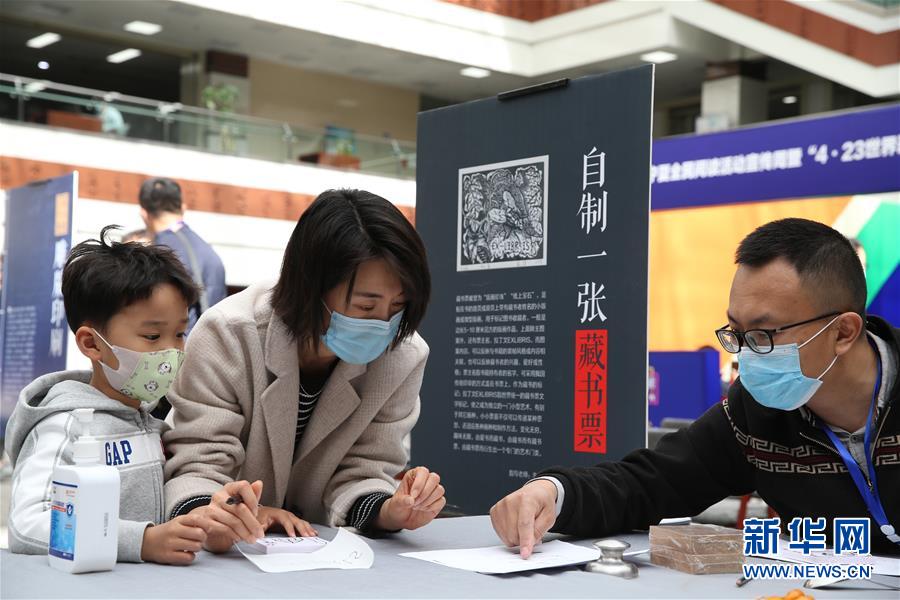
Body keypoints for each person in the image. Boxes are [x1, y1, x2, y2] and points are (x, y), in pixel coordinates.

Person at [491, 218, 900, 556]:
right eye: (736, 332)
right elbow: (652, 482)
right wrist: (553, 492)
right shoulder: (755, 412)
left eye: (763, 335)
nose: (746, 354)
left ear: (843, 332)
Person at [164, 189, 446, 552]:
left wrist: (392, 509)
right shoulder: (228, 334)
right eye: (365, 306)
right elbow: (198, 465)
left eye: (398, 306)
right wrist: (227, 514)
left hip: (318, 553)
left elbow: (366, 468)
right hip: (229, 554)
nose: (383, 323)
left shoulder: (403, 355)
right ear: (311, 287)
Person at [5, 226, 211, 564]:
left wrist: (212, 513)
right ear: (92, 344)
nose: (172, 351)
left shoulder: (154, 422)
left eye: (179, 334)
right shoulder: (65, 426)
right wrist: (140, 541)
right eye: (152, 336)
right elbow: (28, 524)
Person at [139, 177, 226, 333]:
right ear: (183, 208)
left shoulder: (157, 255)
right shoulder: (208, 251)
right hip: (210, 341)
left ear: (144, 214)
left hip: (176, 345)